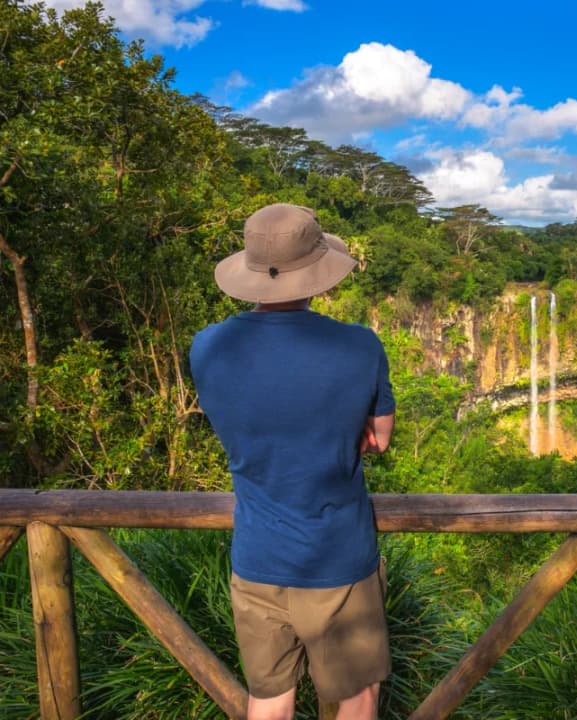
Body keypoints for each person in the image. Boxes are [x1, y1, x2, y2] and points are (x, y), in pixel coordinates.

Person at [190, 203, 395, 720]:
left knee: (268, 701)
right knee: (357, 698)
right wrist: (344, 427)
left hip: (256, 558)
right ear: (317, 272)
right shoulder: (359, 346)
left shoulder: (208, 347)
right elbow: (379, 439)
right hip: (337, 558)